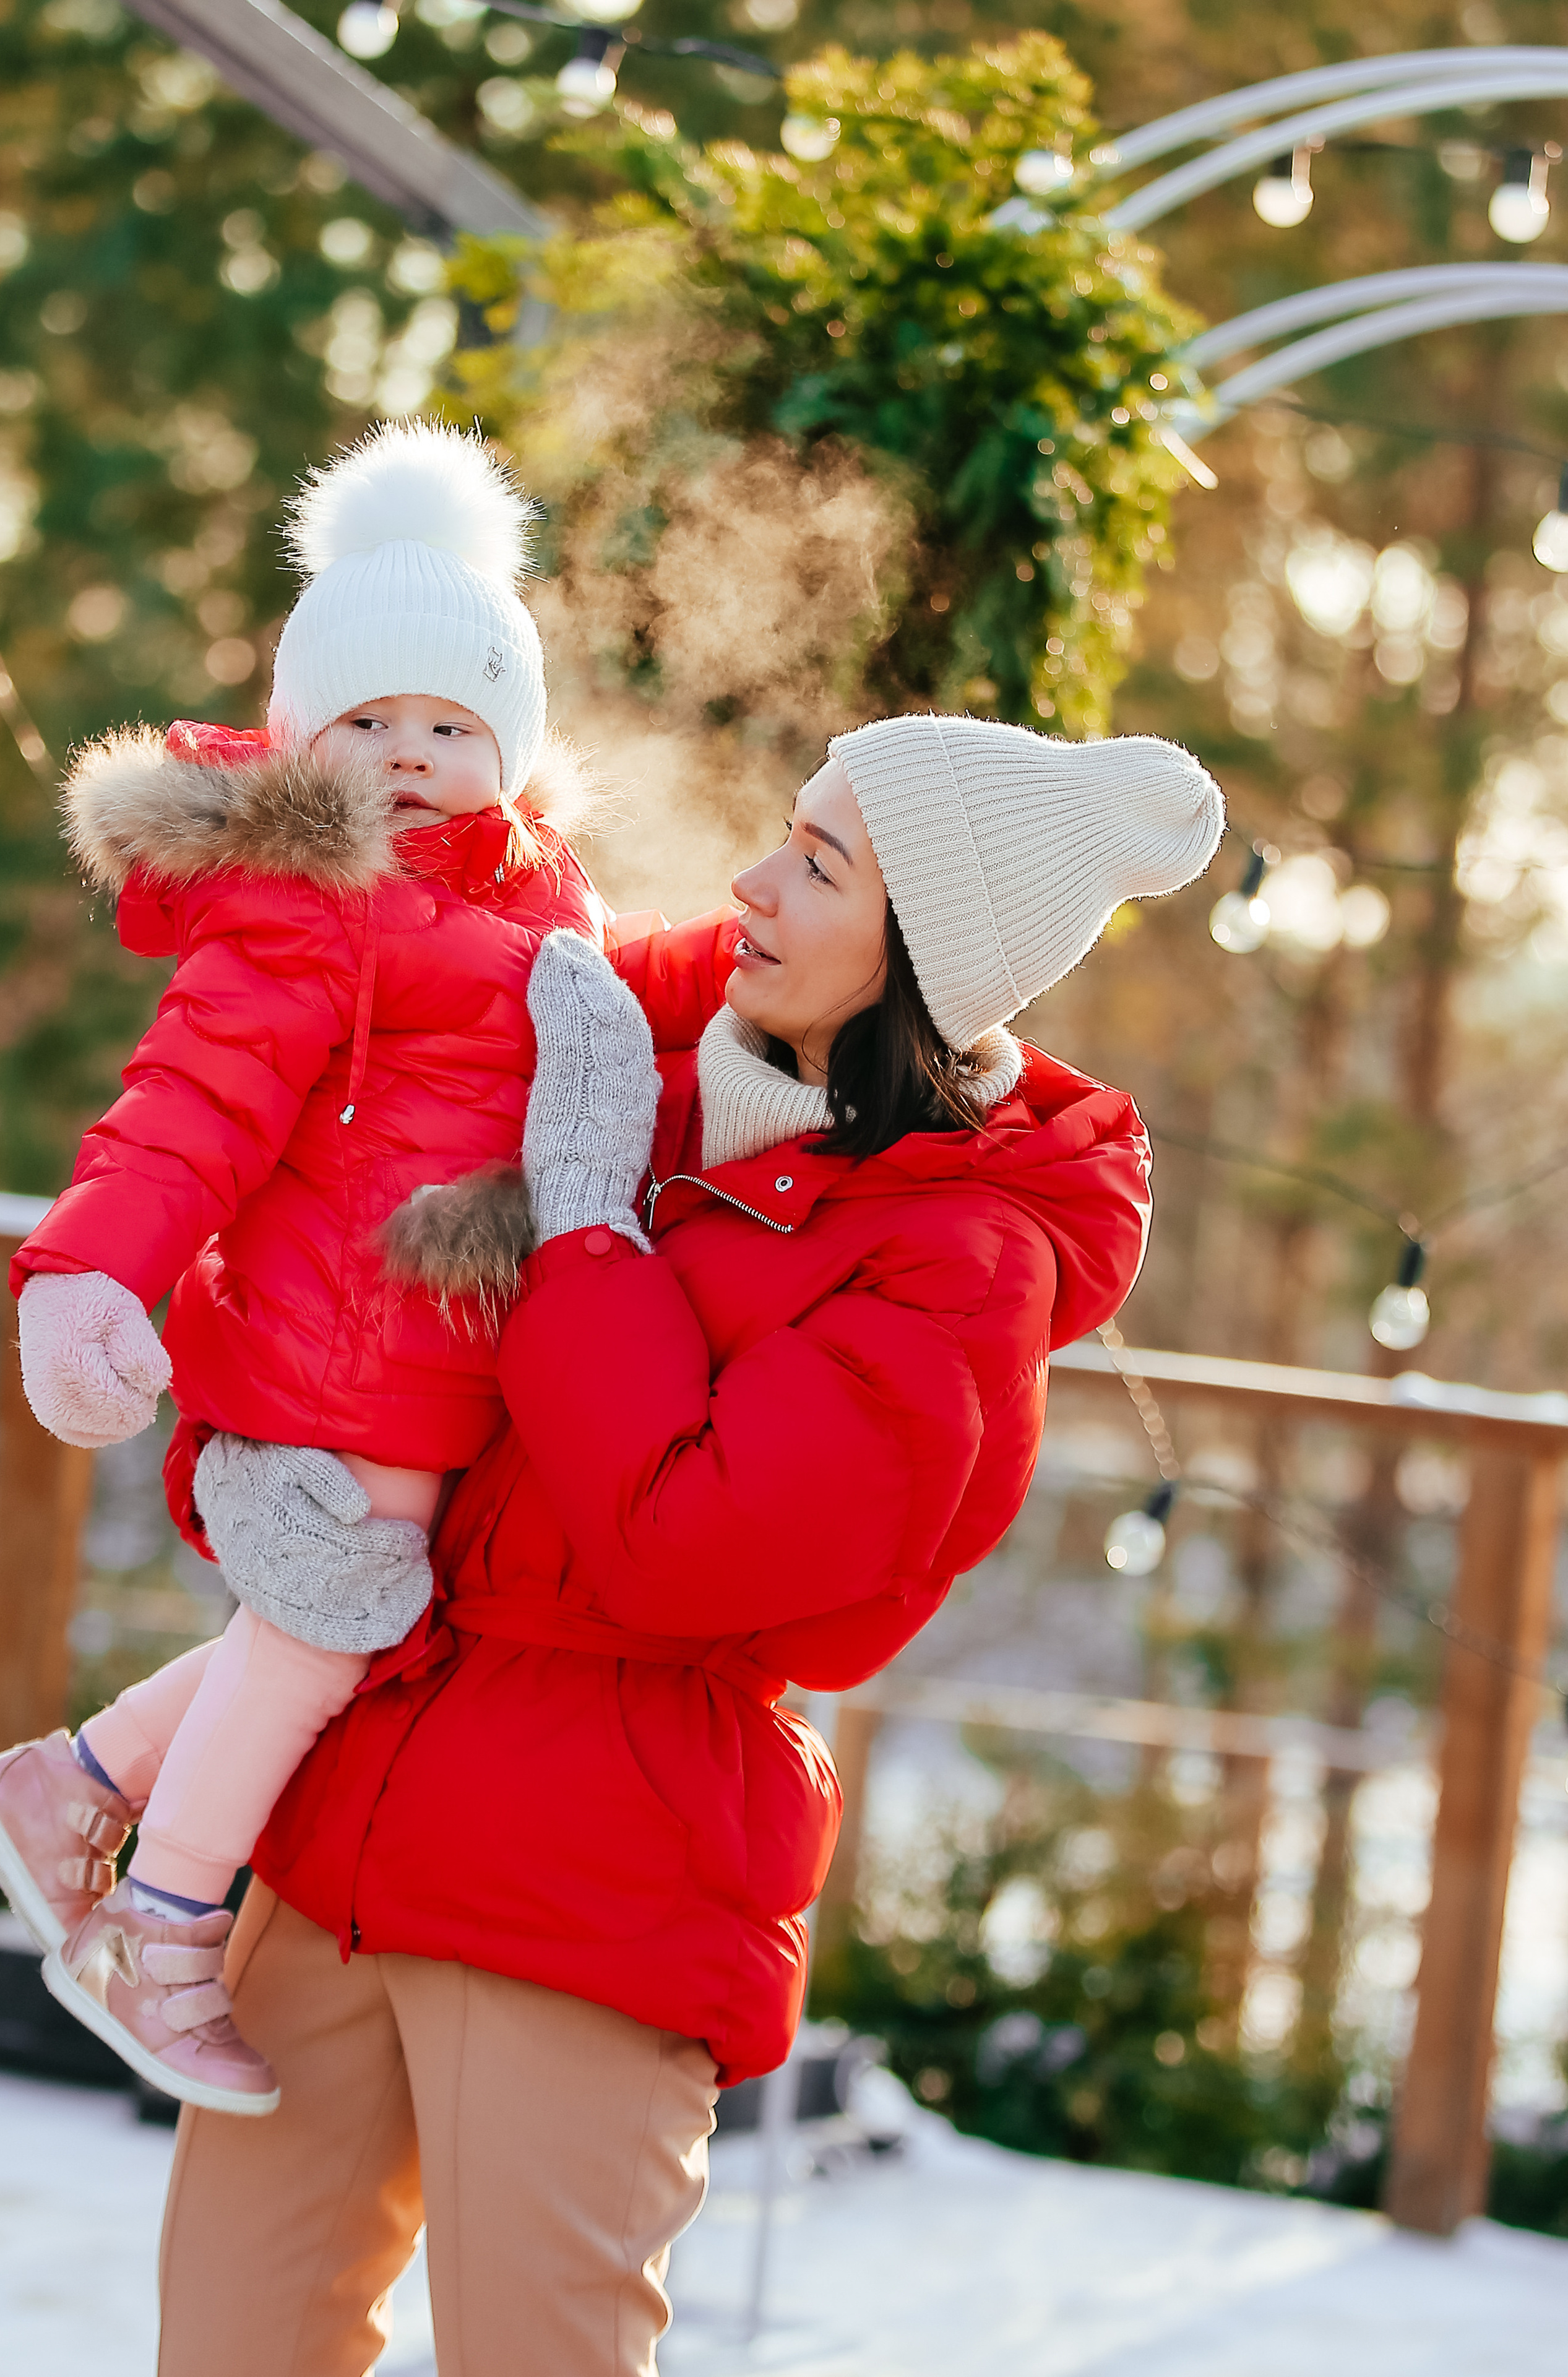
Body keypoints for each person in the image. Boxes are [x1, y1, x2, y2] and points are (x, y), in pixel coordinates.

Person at [149, 712, 1225, 2375]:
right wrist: (241, 1473)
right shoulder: (633, 1089)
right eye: (780, 835)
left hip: (596, 1884)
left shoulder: (959, 1262)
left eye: (817, 862)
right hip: (341, 1827)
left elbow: (686, 1547)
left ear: (925, 952)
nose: (752, 882)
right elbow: (357, 1332)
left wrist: (582, 1235)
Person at [0, 420, 607, 2112]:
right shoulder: (311, 900)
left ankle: (80, 1783)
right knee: (329, 1631)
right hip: (330, 1343)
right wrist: (88, 1272)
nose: (410, 755)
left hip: (434, 1352)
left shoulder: (535, 897)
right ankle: (160, 1920)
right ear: (301, 732)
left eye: (452, 724)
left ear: (513, 743)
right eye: (369, 720)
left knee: (341, 1622)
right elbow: (189, 1101)